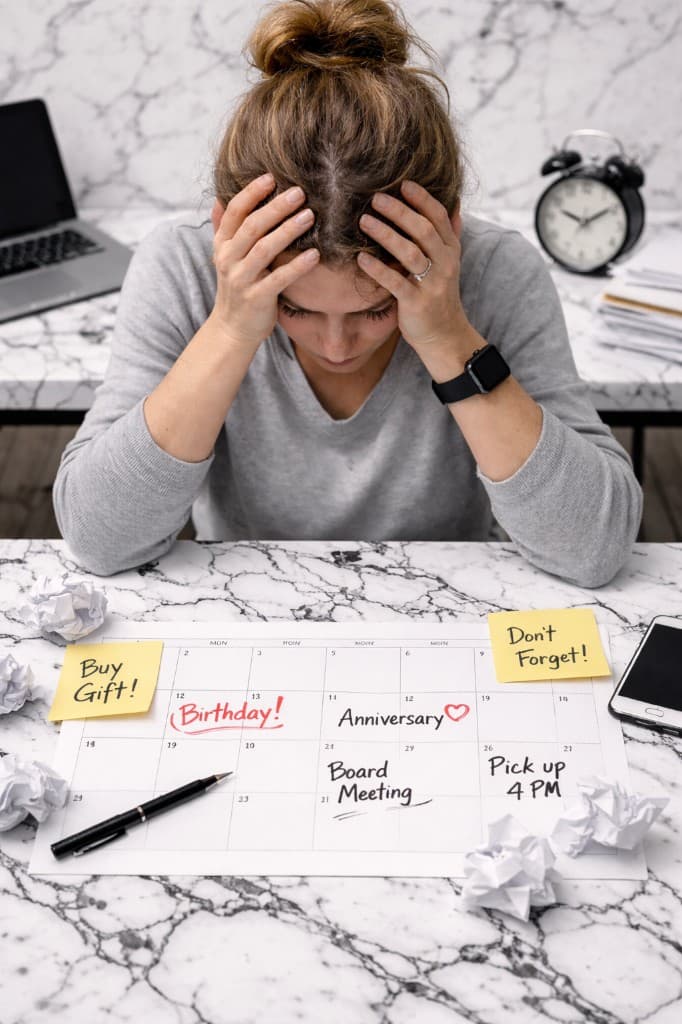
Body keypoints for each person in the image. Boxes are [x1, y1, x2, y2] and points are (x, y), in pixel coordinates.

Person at [53, 0, 642, 586]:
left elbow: (592, 546)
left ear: (449, 230)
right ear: (226, 226)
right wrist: (232, 328)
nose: (336, 346)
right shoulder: (184, 266)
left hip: (450, 610)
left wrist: (445, 334)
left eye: (377, 308)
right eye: (295, 307)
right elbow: (101, 539)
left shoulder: (496, 271)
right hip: (247, 609)